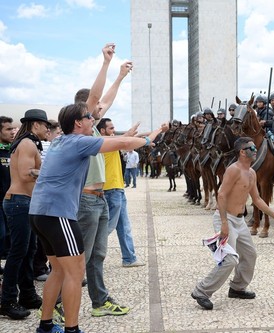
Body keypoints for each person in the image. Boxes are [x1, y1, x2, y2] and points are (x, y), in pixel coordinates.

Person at [29, 102, 163, 333]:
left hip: (40, 212)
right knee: (75, 272)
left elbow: (116, 138)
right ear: (78, 122)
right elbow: (121, 142)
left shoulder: (61, 139)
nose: (94, 119)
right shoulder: (78, 142)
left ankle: (46, 325)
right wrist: (149, 140)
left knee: (59, 271)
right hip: (57, 213)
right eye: (89, 116)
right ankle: (72, 329)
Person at [191, 137, 274, 310]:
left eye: (255, 147)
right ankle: (201, 291)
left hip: (240, 221)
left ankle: (237, 287)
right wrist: (224, 223)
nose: (255, 150)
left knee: (250, 255)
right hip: (226, 219)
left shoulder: (251, 173)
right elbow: (221, 195)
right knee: (229, 259)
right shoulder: (233, 170)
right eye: (251, 148)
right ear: (242, 152)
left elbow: (257, 199)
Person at [73, 53, 136, 319]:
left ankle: (99, 302)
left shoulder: (94, 129)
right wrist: (107, 64)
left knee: (98, 254)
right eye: (95, 108)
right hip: (86, 200)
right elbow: (98, 97)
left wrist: (121, 76)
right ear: (83, 112)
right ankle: (62, 304)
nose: (101, 109)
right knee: (81, 258)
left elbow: (105, 99)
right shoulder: (78, 132)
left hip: (99, 199)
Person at [0, 109, 49, 320]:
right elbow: (26, 174)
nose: (48, 129)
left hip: (25, 202)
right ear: (35, 125)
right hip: (19, 202)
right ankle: (7, 300)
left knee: (29, 251)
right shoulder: (27, 143)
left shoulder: (29, 143)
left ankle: (27, 294)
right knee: (18, 252)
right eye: (45, 125)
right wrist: (50, 172)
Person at [96, 118, 145, 267]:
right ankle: (87, 257)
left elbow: (128, 138)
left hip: (118, 189)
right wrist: (137, 134)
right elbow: (126, 138)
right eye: (111, 128)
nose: (113, 131)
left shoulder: (110, 142)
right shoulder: (103, 143)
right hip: (110, 190)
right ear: (102, 131)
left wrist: (149, 135)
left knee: (124, 226)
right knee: (106, 228)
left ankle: (129, 258)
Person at [34, 119, 62, 282]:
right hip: (46, 196)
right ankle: (39, 268)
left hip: (52, 196)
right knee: (44, 238)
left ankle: (53, 269)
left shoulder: (54, 146)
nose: (59, 136)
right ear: (49, 133)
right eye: (57, 133)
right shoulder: (45, 147)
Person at [0, 116, 16, 273]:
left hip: (10, 201)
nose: (12, 132)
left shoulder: (12, 150)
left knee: (8, 236)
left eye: (12, 129)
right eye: (8, 129)